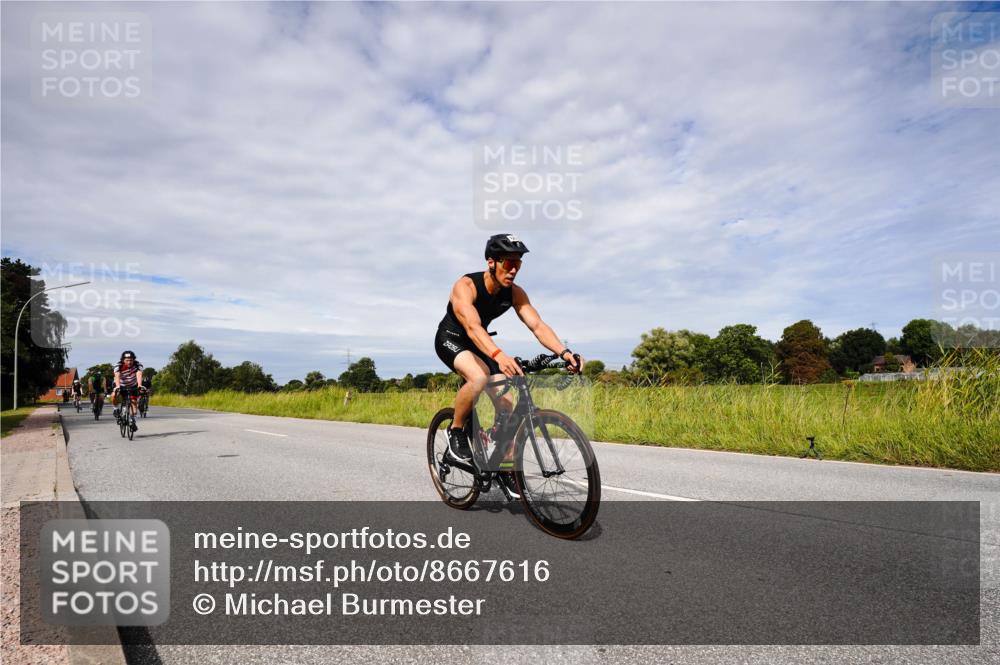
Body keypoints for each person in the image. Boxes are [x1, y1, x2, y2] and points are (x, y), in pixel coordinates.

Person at [434, 234, 583, 462]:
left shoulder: (515, 293)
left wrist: (564, 352)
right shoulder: (465, 286)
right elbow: (472, 327)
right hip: (453, 338)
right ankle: (455, 430)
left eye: (518, 264)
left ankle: (502, 458)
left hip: (481, 343)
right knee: (478, 377)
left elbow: (537, 325)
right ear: (491, 262)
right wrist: (498, 355)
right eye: (508, 263)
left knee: (506, 401)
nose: (513, 270)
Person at [112, 350, 145, 429]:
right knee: (114, 394)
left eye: (131, 360)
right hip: (121, 385)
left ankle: (132, 421)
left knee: (134, 404)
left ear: (134, 359)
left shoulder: (138, 365)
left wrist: (140, 385)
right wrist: (118, 386)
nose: (129, 362)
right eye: (127, 360)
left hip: (133, 385)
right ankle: (115, 409)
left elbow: (139, 374)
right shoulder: (118, 365)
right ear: (123, 360)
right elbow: (117, 375)